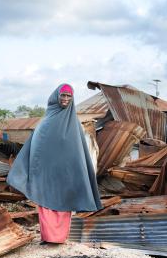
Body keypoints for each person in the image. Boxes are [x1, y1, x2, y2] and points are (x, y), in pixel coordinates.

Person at [7, 83, 101, 244]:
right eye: (63, 95)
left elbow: (79, 151)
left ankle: (59, 237)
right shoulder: (47, 119)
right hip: (46, 172)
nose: (65, 99)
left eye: (68, 96)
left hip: (66, 173)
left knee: (64, 204)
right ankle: (48, 237)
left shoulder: (74, 123)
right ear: (56, 97)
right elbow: (37, 145)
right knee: (46, 203)